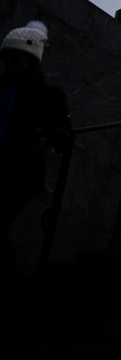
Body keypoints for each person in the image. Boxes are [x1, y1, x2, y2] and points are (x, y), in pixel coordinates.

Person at [0, 21, 70, 274]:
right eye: (5, 55)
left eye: (16, 56)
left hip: (17, 172)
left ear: (31, 59)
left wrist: (48, 136)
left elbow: (64, 134)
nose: (9, 61)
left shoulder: (48, 95)